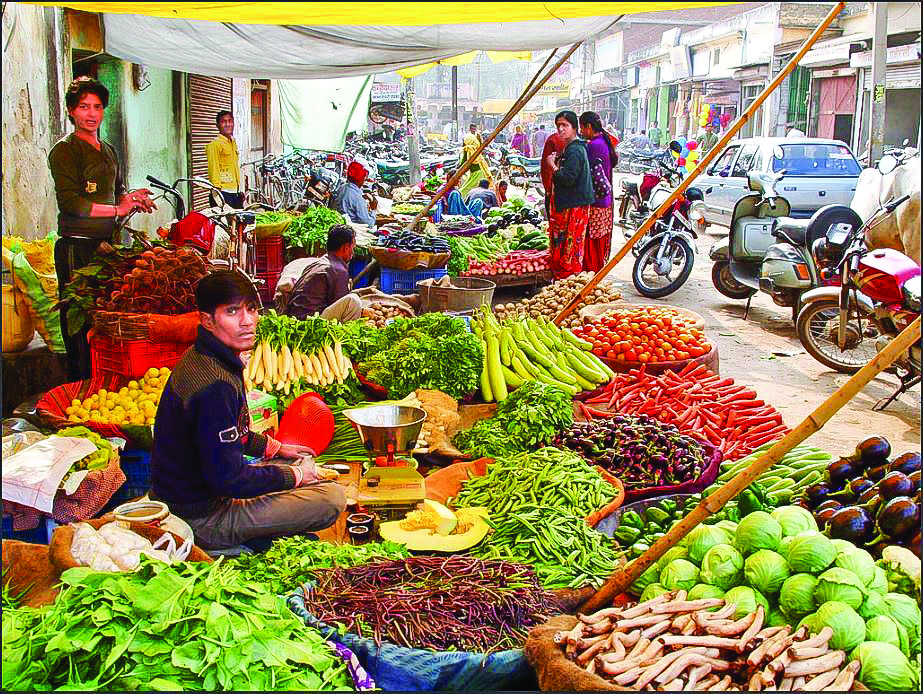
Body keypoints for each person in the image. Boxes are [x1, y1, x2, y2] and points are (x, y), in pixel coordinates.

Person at [150, 271, 344, 552]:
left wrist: (275, 449)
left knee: (294, 465)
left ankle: (261, 533)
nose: (248, 321)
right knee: (331, 499)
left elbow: (231, 434)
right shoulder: (214, 384)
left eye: (251, 309)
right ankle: (232, 545)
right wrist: (297, 477)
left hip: (203, 496)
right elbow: (231, 479)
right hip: (202, 518)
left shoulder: (211, 357)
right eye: (232, 311)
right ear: (207, 320)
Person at [49, 77, 156, 381]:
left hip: (107, 248)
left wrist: (133, 200)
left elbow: (118, 192)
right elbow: (71, 203)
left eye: (97, 107)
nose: (91, 113)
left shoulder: (108, 150)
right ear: (71, 111)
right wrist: (118, 209)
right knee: (78, 323)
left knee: (105, 319)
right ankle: (80, 384)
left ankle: (105, 381)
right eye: (83, 107)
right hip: (76, 248)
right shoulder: (65, 151)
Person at [545, 111, 594, 279]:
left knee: (570, 246)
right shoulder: (571, 147)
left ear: (574, 128)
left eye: (565, 125)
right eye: (559, 125)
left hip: (573, 207)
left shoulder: (575, 150)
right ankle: (564, 277)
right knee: (566, 244)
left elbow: (567, 179)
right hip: (568, 204)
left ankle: (567, 279)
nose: (561, 129)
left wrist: (552, 164)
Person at [279, 225, 363, 321]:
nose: (353, 252)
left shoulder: (319, 262)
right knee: (353, 301)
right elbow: (340, 302)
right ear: (346, 248)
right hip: (308, 323)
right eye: (353, 247)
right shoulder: (338, 270)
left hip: (295, 317)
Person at [579, 111, 617, 272]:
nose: (581, 132)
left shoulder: (594, 145)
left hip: (596, 201)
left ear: (588, 126)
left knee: (592, 240)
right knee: (599, 238)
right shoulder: (604, 140)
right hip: (605, 201)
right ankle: (596, 271)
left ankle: (591, 273)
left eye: (582, 128)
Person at [205, 110, 243, 209]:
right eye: (223, 121)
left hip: (235, 192)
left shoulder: (233, 143)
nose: (227, 124)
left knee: (238, 223)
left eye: (230, 121)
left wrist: (239, 190)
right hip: (223, 193)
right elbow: (213, 170)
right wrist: (217, 196)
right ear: (217, 125)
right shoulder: (214, 144)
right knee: (224, 223)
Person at [335, 160, 377, 229]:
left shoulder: (342, 188)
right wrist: (373, 209)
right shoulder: (357, 198)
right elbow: (369, 224)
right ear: (361, 178)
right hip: (352, 231)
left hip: (340, 226)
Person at [458, 123, 494, 197]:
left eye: (475, 128)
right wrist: (460, 166)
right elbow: (465, 156)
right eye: (472, 128)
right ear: (470, 129)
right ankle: (461, 195)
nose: (474, 129)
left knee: (471, 184)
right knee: (471, 185)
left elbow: (481, 146)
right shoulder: (468, 139)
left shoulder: (476, 136)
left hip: (478, 166)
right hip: (476, 168)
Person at [540, 129, 565, 218]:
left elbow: (546, 168)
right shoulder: (583, 142)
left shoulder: (554, 138)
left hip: (556, 191)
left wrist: (548, 188)